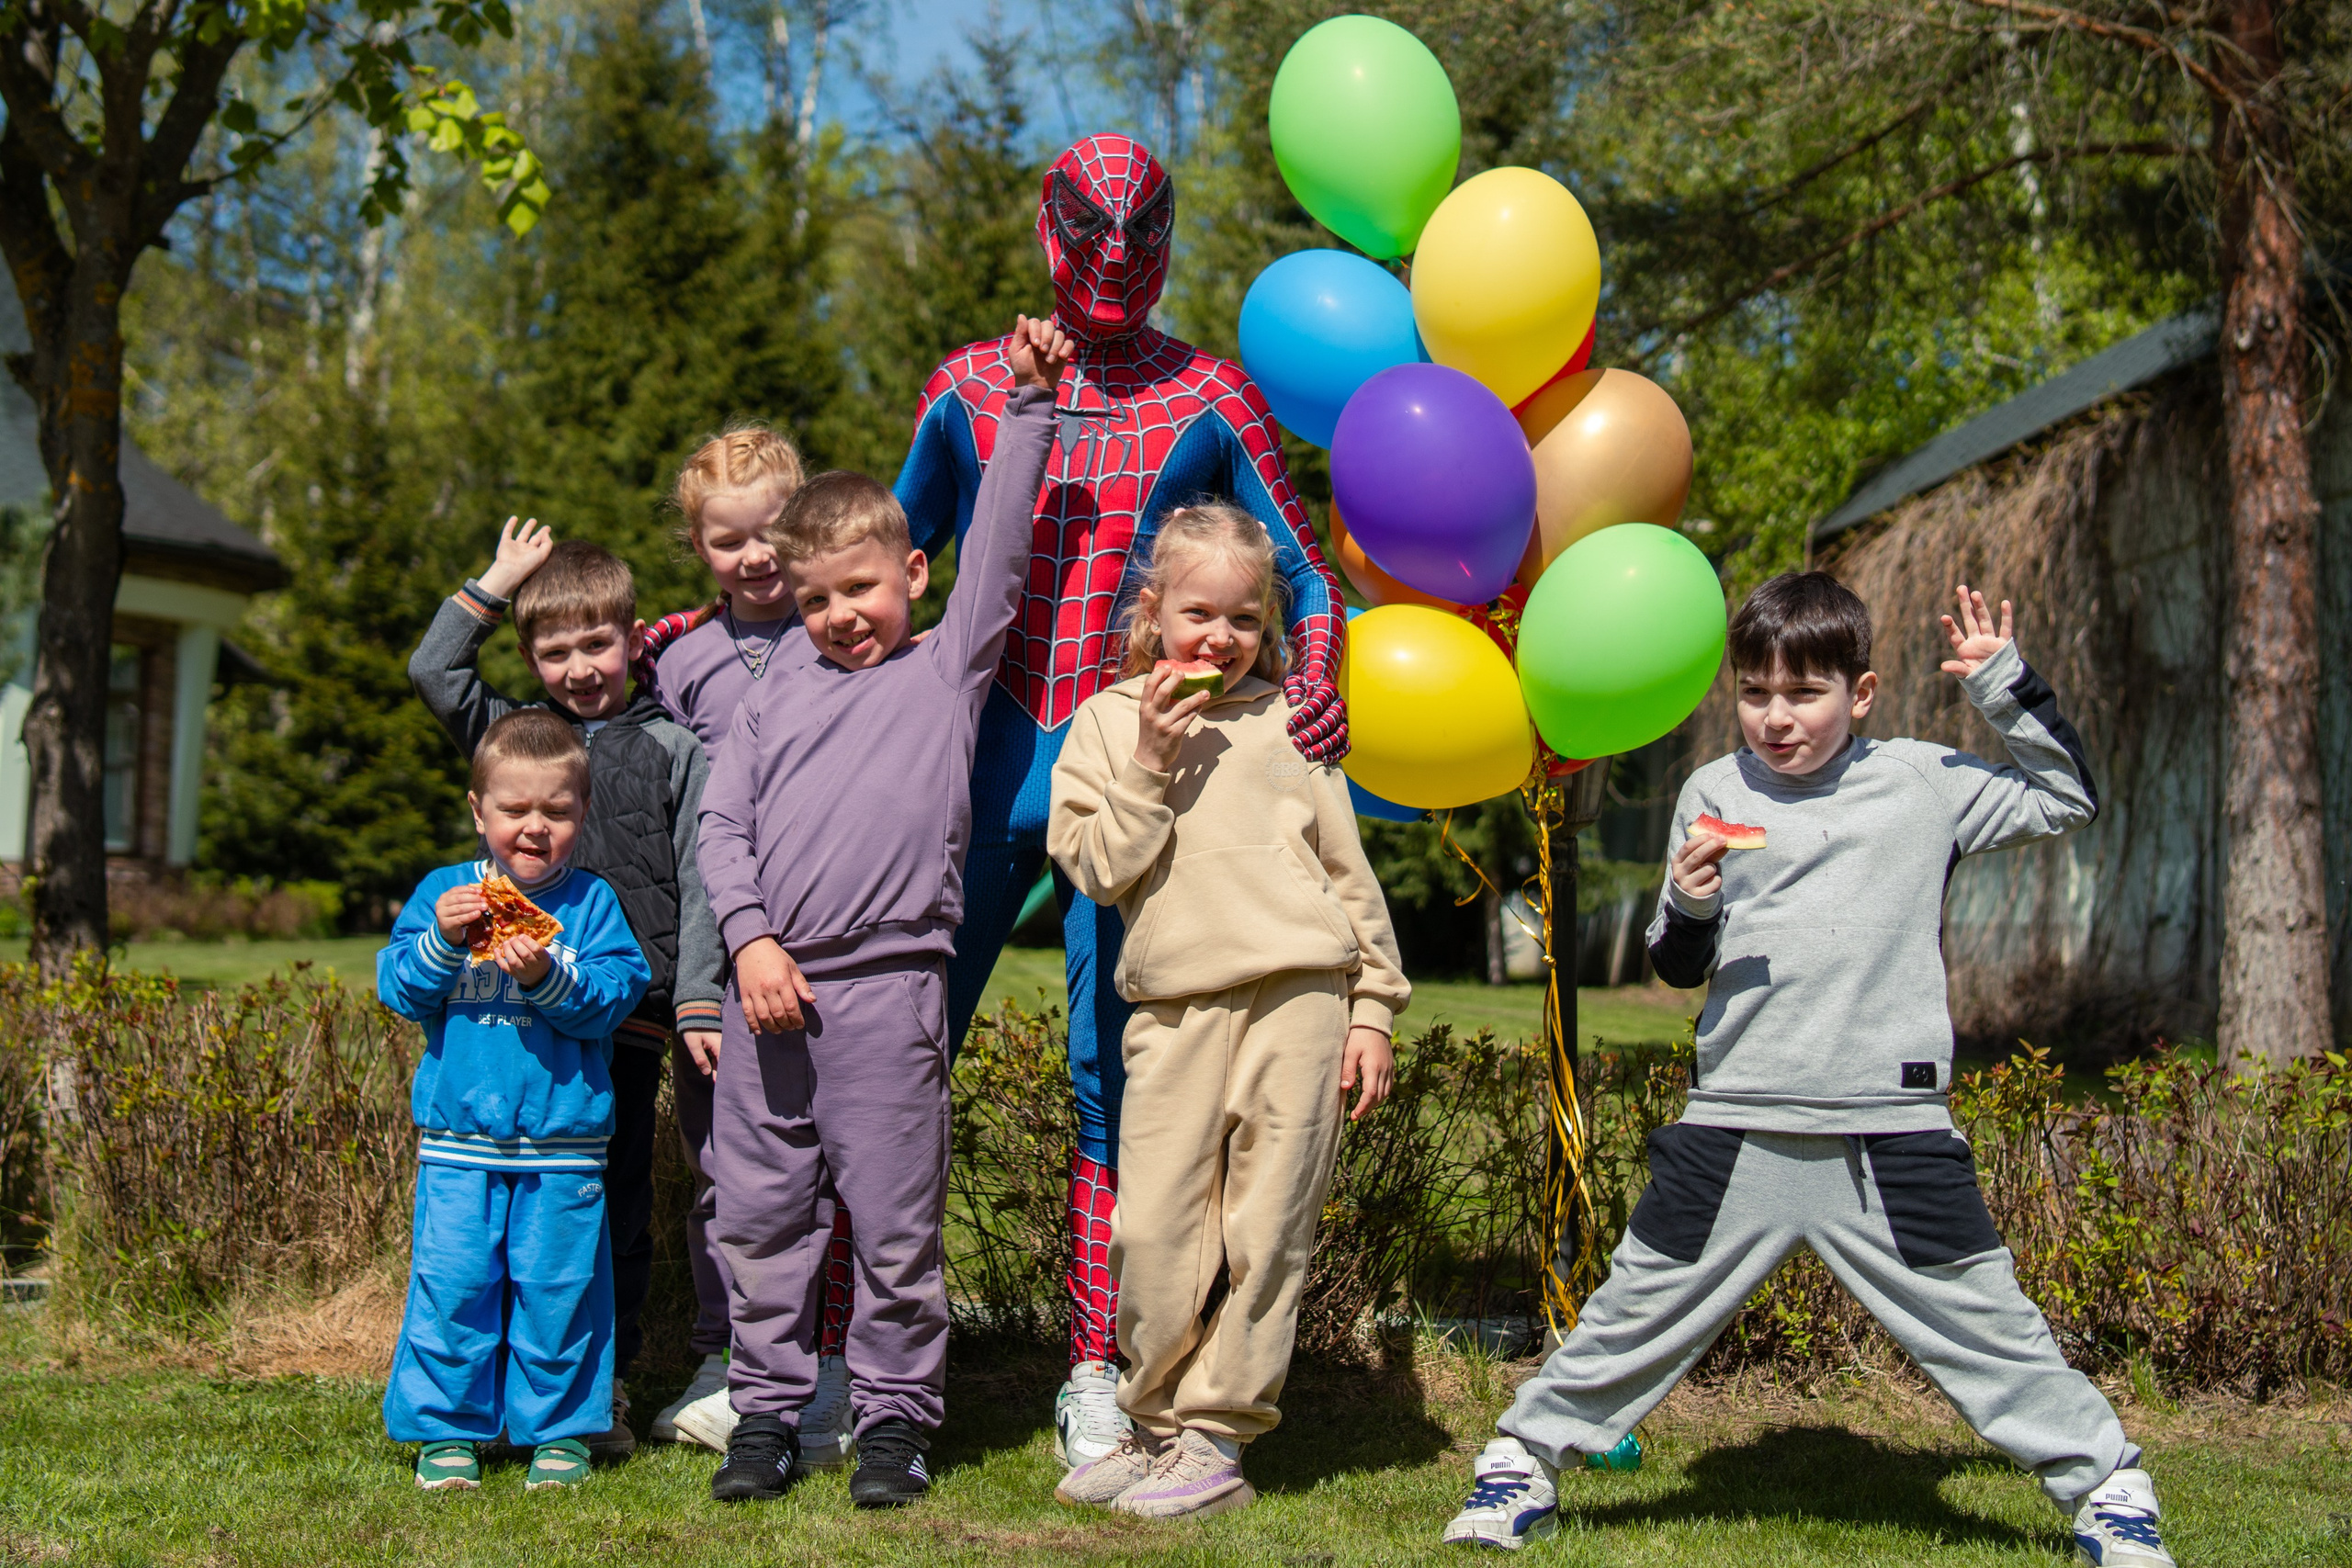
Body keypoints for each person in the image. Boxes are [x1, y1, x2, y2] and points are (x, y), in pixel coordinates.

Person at [1442, 573, 2177, 1568]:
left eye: (1804, 694)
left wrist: (2003, 684)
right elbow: (1673, 960)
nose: (1776, 718)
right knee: (1632, 1313)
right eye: (1755, 694)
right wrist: (1692, 904)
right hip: (1735, 1123)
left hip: (1891, 1126)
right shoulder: (1712, 792)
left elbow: (2067, 796)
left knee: (1988, 1327)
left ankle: (2108, 1489)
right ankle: (1521, 1462)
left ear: (1861, 693)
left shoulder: (1926, 782)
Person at [892, 133, 1351, 1466]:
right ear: (1050, 231)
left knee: (1117, 1078)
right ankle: (854, 1355)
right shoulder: (972, 388)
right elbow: (874, 561)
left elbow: (1307, 581)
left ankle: (1099, 1365)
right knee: (898, 1059)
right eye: (1090, 233)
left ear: (1166, 236)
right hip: (975, 764)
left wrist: (1322, 681)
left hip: (1133, 763)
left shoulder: (1210, 391)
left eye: (1139, 233)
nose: (1113, 258)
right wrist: (734, 642)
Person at [695, 314, 1075, 1508]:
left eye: (858, 588)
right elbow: (722, 830)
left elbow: (1003, 553)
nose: (839, 615)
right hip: (772, 995)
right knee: (761, 1215)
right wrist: (749, 939)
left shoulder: (947, 663)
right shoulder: (768, 694)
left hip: (893, 991)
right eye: (813, 598)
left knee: (895, 1230)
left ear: (912, 574)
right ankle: (765, 1411)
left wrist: (1024, 409)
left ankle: (897, 1421)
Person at [1042, 503, 1407, 1518]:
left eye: (1244, 621)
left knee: (1268, 1227)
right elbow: (1095, 868)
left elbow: (1349, 875)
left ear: (1268, 628)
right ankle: (1152, 1422)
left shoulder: (1291, 724)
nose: (1220, 638)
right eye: (1199, 612)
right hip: (1171, 1010)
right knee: (1154, 1232)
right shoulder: (1110, 723)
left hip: (1303, 1001)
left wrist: (1372, 1008)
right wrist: (1153, 759)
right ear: (1152, 611)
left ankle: (1216, 1439)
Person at [408, 532, 724, 1461]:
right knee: (494, 1221)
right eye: (554, 651)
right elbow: (433, 669)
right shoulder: (513, 737)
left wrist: (697, 998)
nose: (579, 668)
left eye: (597, 645)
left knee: (609, 1208)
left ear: (632, 639)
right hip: (501, 1029)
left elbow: (703, 885)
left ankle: (603, 1388)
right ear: (527, 657)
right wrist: (495, 585)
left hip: (623, 1020)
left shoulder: (674, 748)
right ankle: (486, 1392)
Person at [631, 426, 858, 1466]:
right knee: (729, 1169)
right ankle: (725, 1358)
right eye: (729, 540)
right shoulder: (676, 662)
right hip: (715, 952)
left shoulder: (849, 637)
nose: (757, 554)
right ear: (697, 546)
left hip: (836, 933)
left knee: (847, 1161)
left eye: (773, 528)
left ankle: (840, 1362)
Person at [379, 709, 652, 1493]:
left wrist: (545, 975)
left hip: (563, 1147)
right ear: (478, 811)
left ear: (582, 813)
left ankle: (561, 1429)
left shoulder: (592, 906)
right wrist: (436, 940)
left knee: (559, 1293)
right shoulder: (443, 895)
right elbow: (398, 987)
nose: (535, 829)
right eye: (514, 810)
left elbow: (609, 1001)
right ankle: (447, 1431)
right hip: (459, 1141)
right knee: (453, 1285)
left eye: (557, 812)